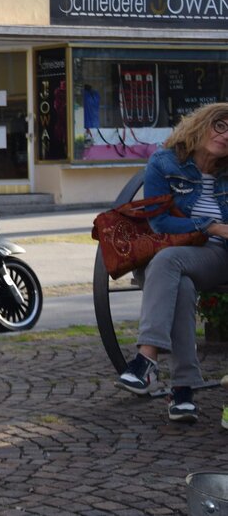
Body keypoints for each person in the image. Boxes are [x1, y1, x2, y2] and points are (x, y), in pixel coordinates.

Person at [116, 102, 228, 423]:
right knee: (180, 283)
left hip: (220, 256)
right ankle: (183, 390)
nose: (224, 136)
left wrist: (216, 232)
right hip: (179, 255)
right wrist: (210, 225)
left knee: (168, 262)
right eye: (219, 125)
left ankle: (145, 360)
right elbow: (159, 223)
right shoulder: (165, 162)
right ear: (202, 124)